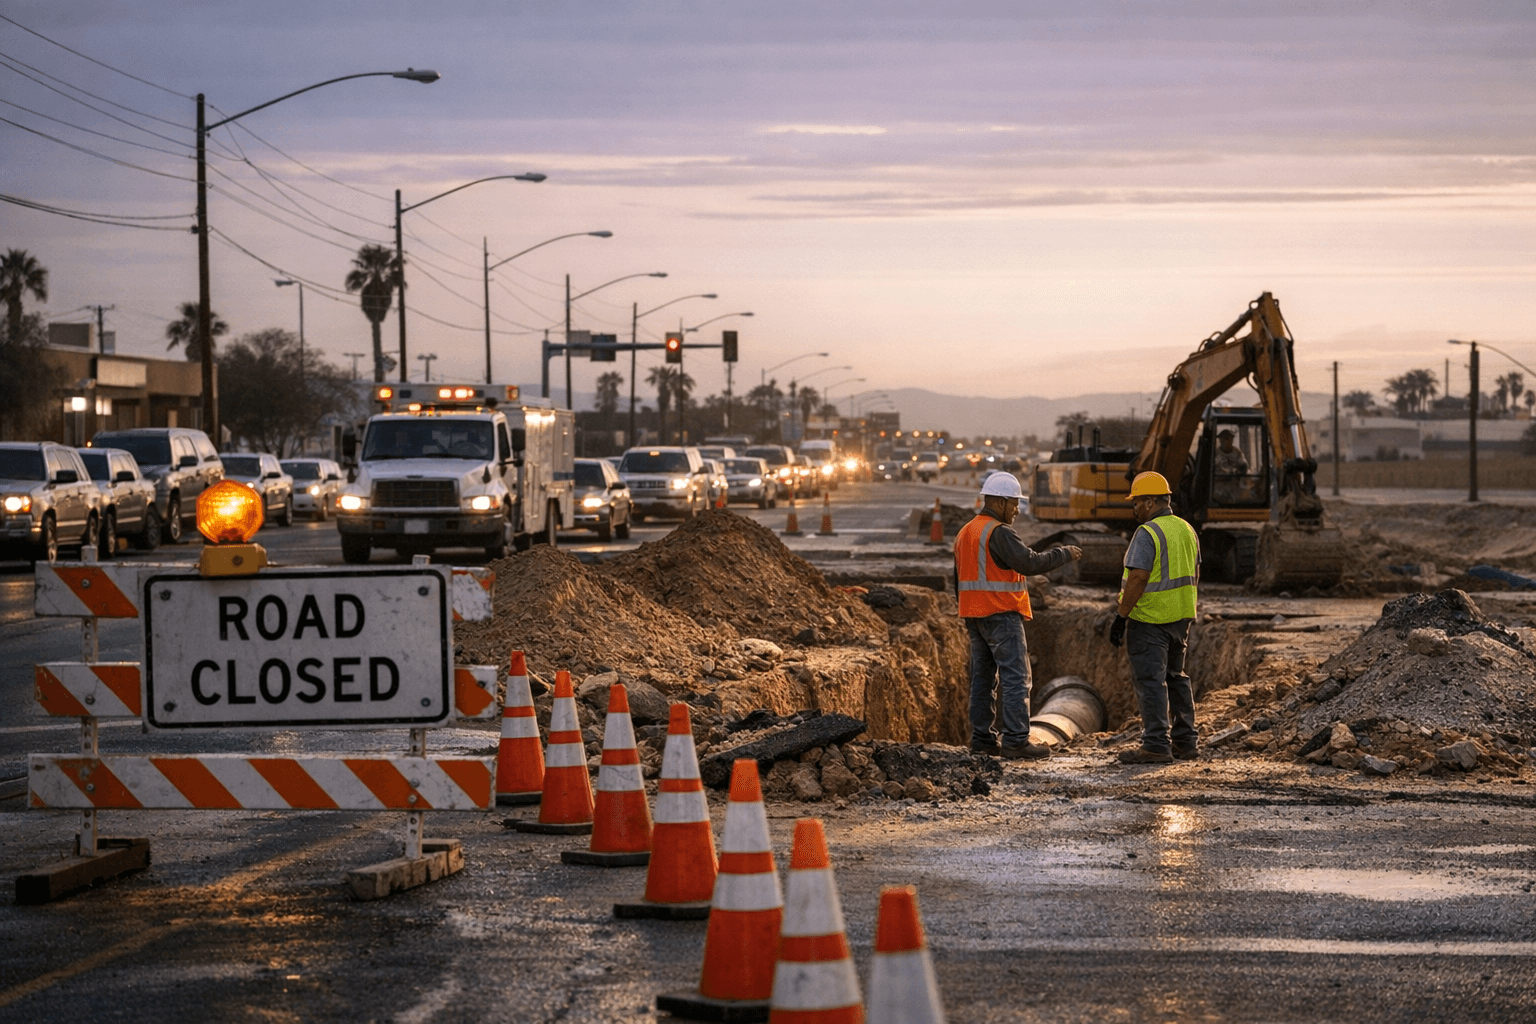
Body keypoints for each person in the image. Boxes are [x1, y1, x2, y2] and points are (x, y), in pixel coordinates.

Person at [955, 471, 1082, 759]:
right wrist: (1063, 554)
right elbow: (1028, 562)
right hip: (1001, 613)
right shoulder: (999, 532)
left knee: (983, 679)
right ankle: (1015, 740)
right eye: (1013, 503)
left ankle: (982, 739)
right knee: (1016, 678)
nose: (1016, 510)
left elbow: (959, 579)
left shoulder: (966, 532)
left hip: (974, 615)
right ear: (999, 502)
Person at [1107, 471, 1201, 764]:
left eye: (1136, 502)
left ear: (1149, 502)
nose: (1134, 508)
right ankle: (1185, 743)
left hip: (1150, 619)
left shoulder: (1147, 533)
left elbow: (1138, 577)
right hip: (1181, 616)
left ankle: (1156, 744)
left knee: (1150, 680)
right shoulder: (1186, 529)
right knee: (1176, 677)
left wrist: (1122, 616)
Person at [1212, 429, 1249, 503]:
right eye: (1221, 439)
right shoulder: (1215, 453)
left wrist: (1237, 476)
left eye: (1226, 438)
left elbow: (1244, 466)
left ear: (1231, 440)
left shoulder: (1237, 452)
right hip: (1218, 485)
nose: (1222, 441)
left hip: (1234, 484)